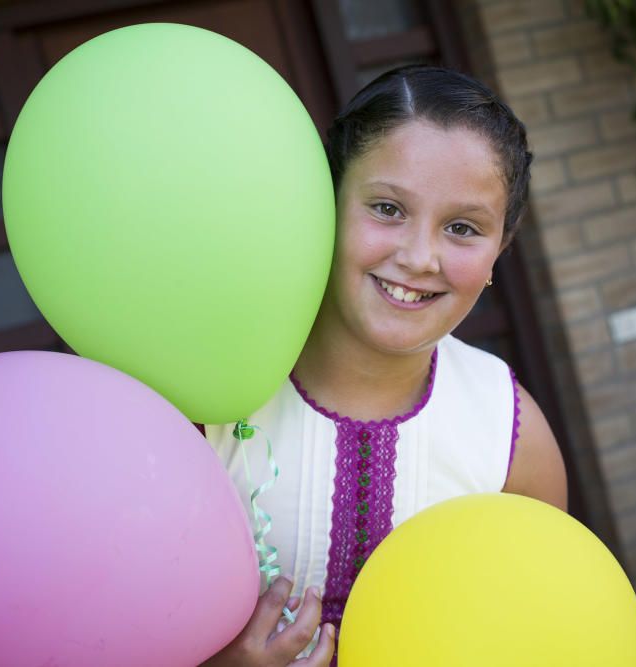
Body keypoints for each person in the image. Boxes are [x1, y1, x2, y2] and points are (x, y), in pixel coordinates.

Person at [201, 64, 567, 667]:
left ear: (501, 248)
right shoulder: (202, 402)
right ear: (330, 202)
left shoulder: (512, 439)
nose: (420, 258)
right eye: (388, 208)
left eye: (462, 228)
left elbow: (541, 636)